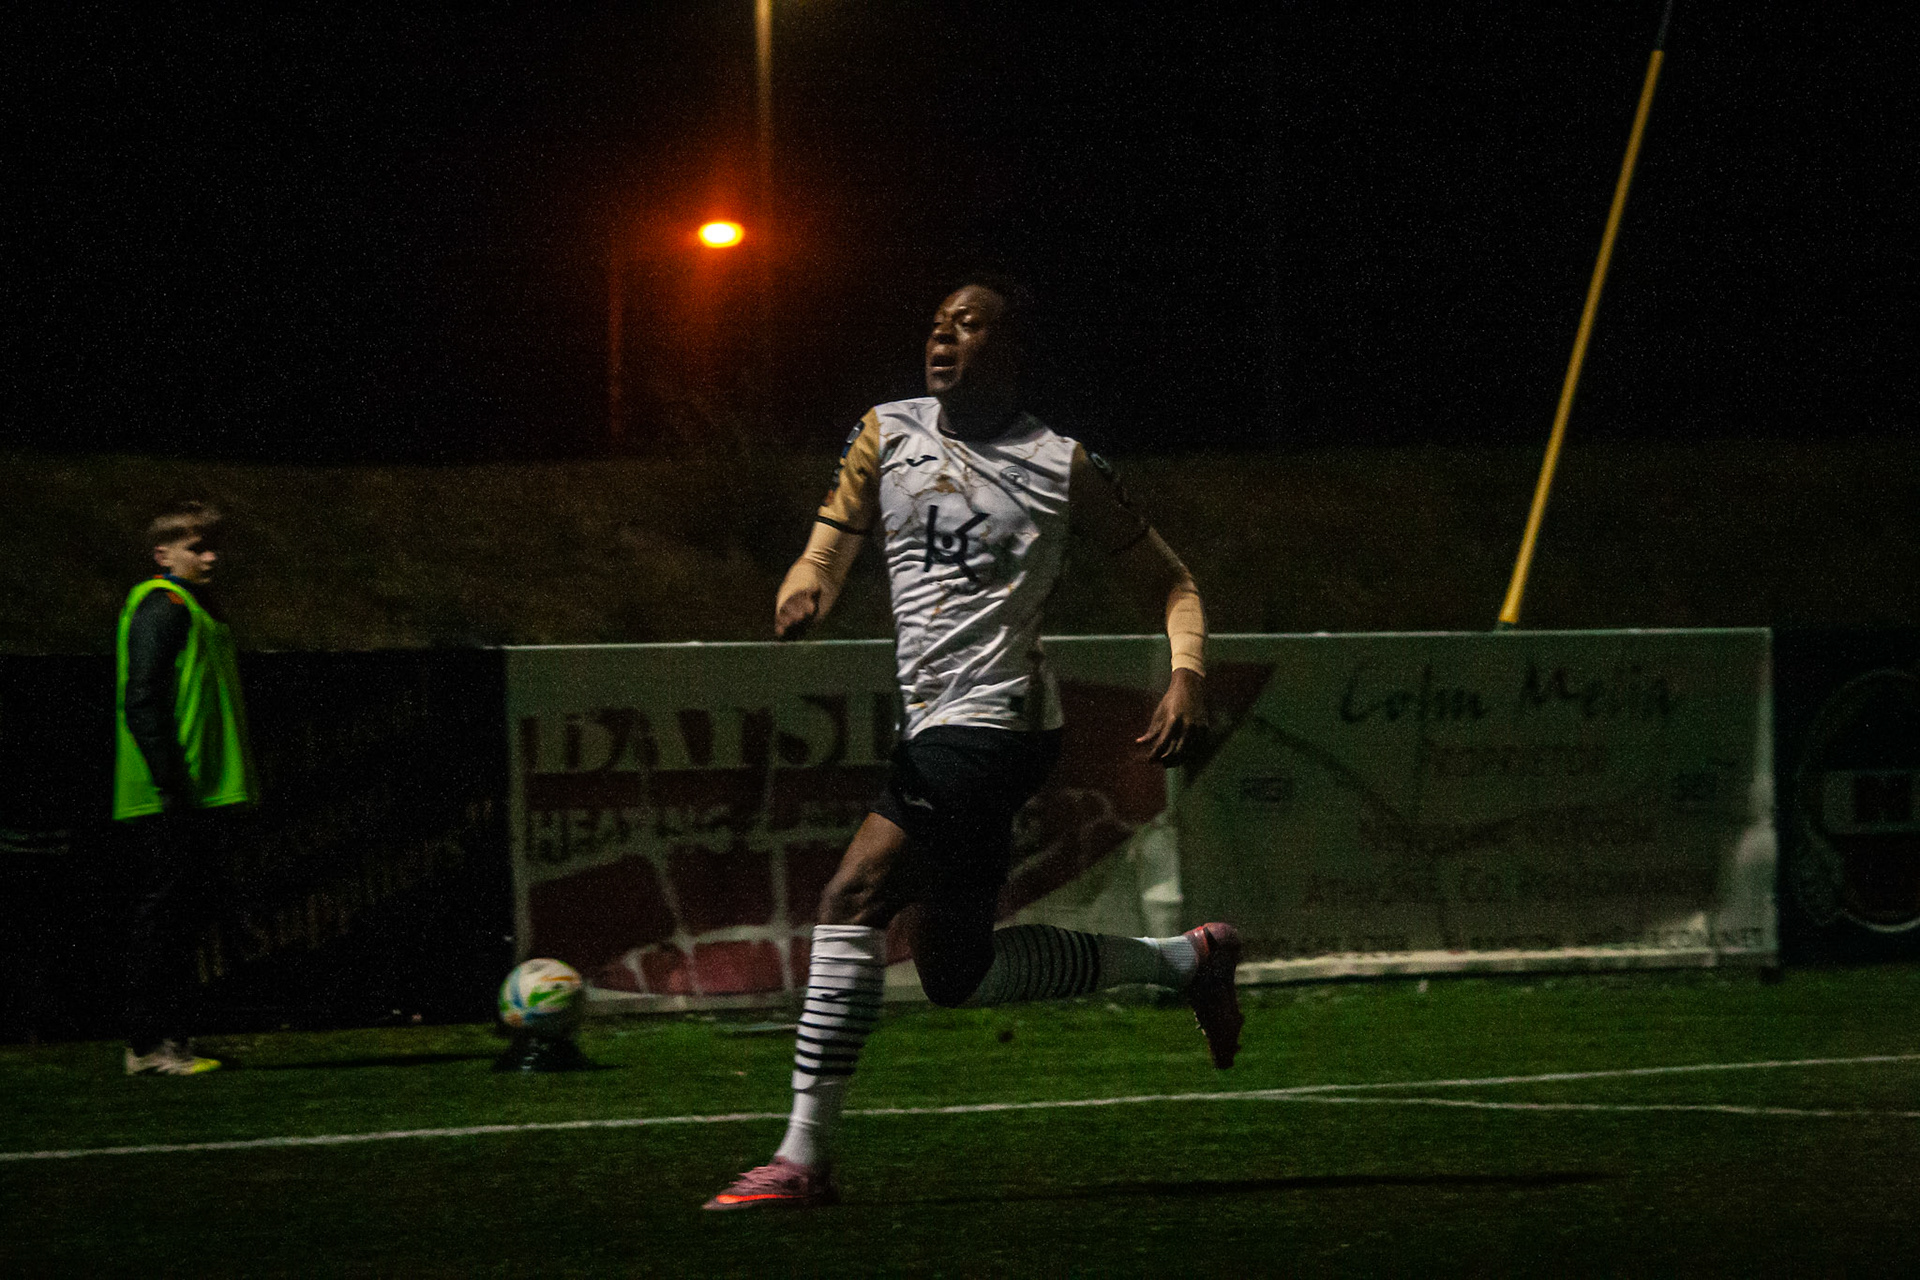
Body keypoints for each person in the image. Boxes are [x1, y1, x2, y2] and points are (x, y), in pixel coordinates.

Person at [704, 278, 1241, 1211]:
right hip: (936, 721)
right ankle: (1187, 962)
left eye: (968, 325)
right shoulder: (887, 431)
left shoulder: (1062, 464)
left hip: (996, 724)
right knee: (960, 971)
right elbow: (828, 547)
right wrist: (805, 587)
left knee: (853, 894)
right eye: (936, 325)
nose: (943, 338)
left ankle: (801, 1159)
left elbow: (1173, 582)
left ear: (1012, 348)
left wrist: (1187, 673)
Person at [113, 501, 258, 1075]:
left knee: (180, 922)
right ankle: (149, 1045)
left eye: (212, 546)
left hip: (194, 792)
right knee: (165, 920)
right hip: (171, 794)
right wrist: (172, 783)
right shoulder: (162, 604)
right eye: (197, 548)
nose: (211, 557)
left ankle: (168, 1041)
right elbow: (142, 699)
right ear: (163, 555)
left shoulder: (194, 608)